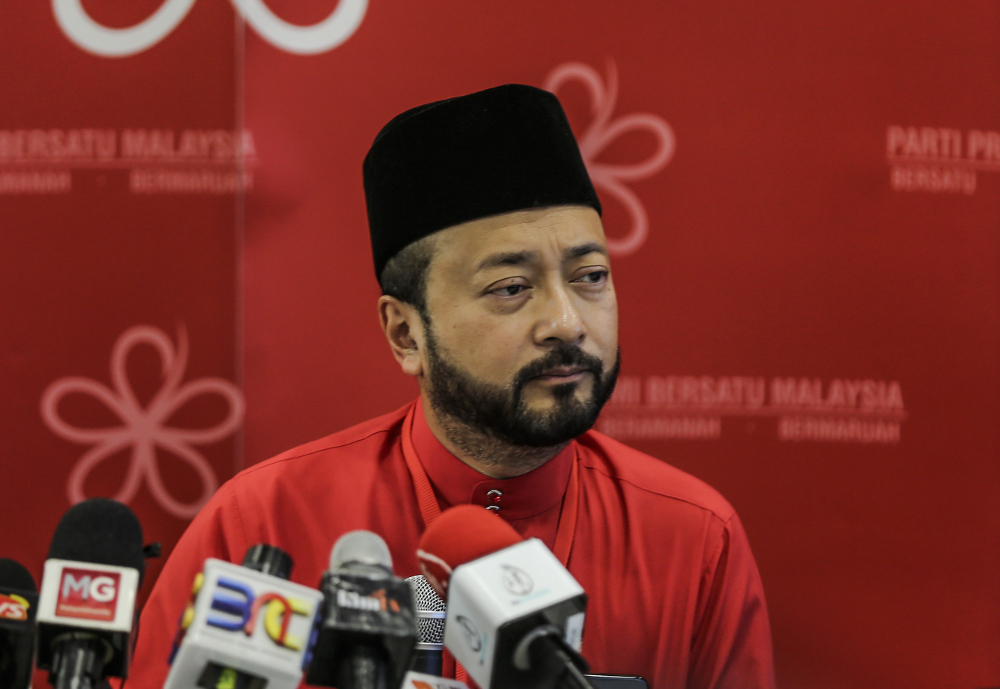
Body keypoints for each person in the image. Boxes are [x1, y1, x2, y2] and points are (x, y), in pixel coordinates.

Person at [127, 84, 775, 689]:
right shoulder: (259, 522)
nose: (566, 322)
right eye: (511, 288)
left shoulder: (694, 539)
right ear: (406, 334)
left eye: (591, 275)